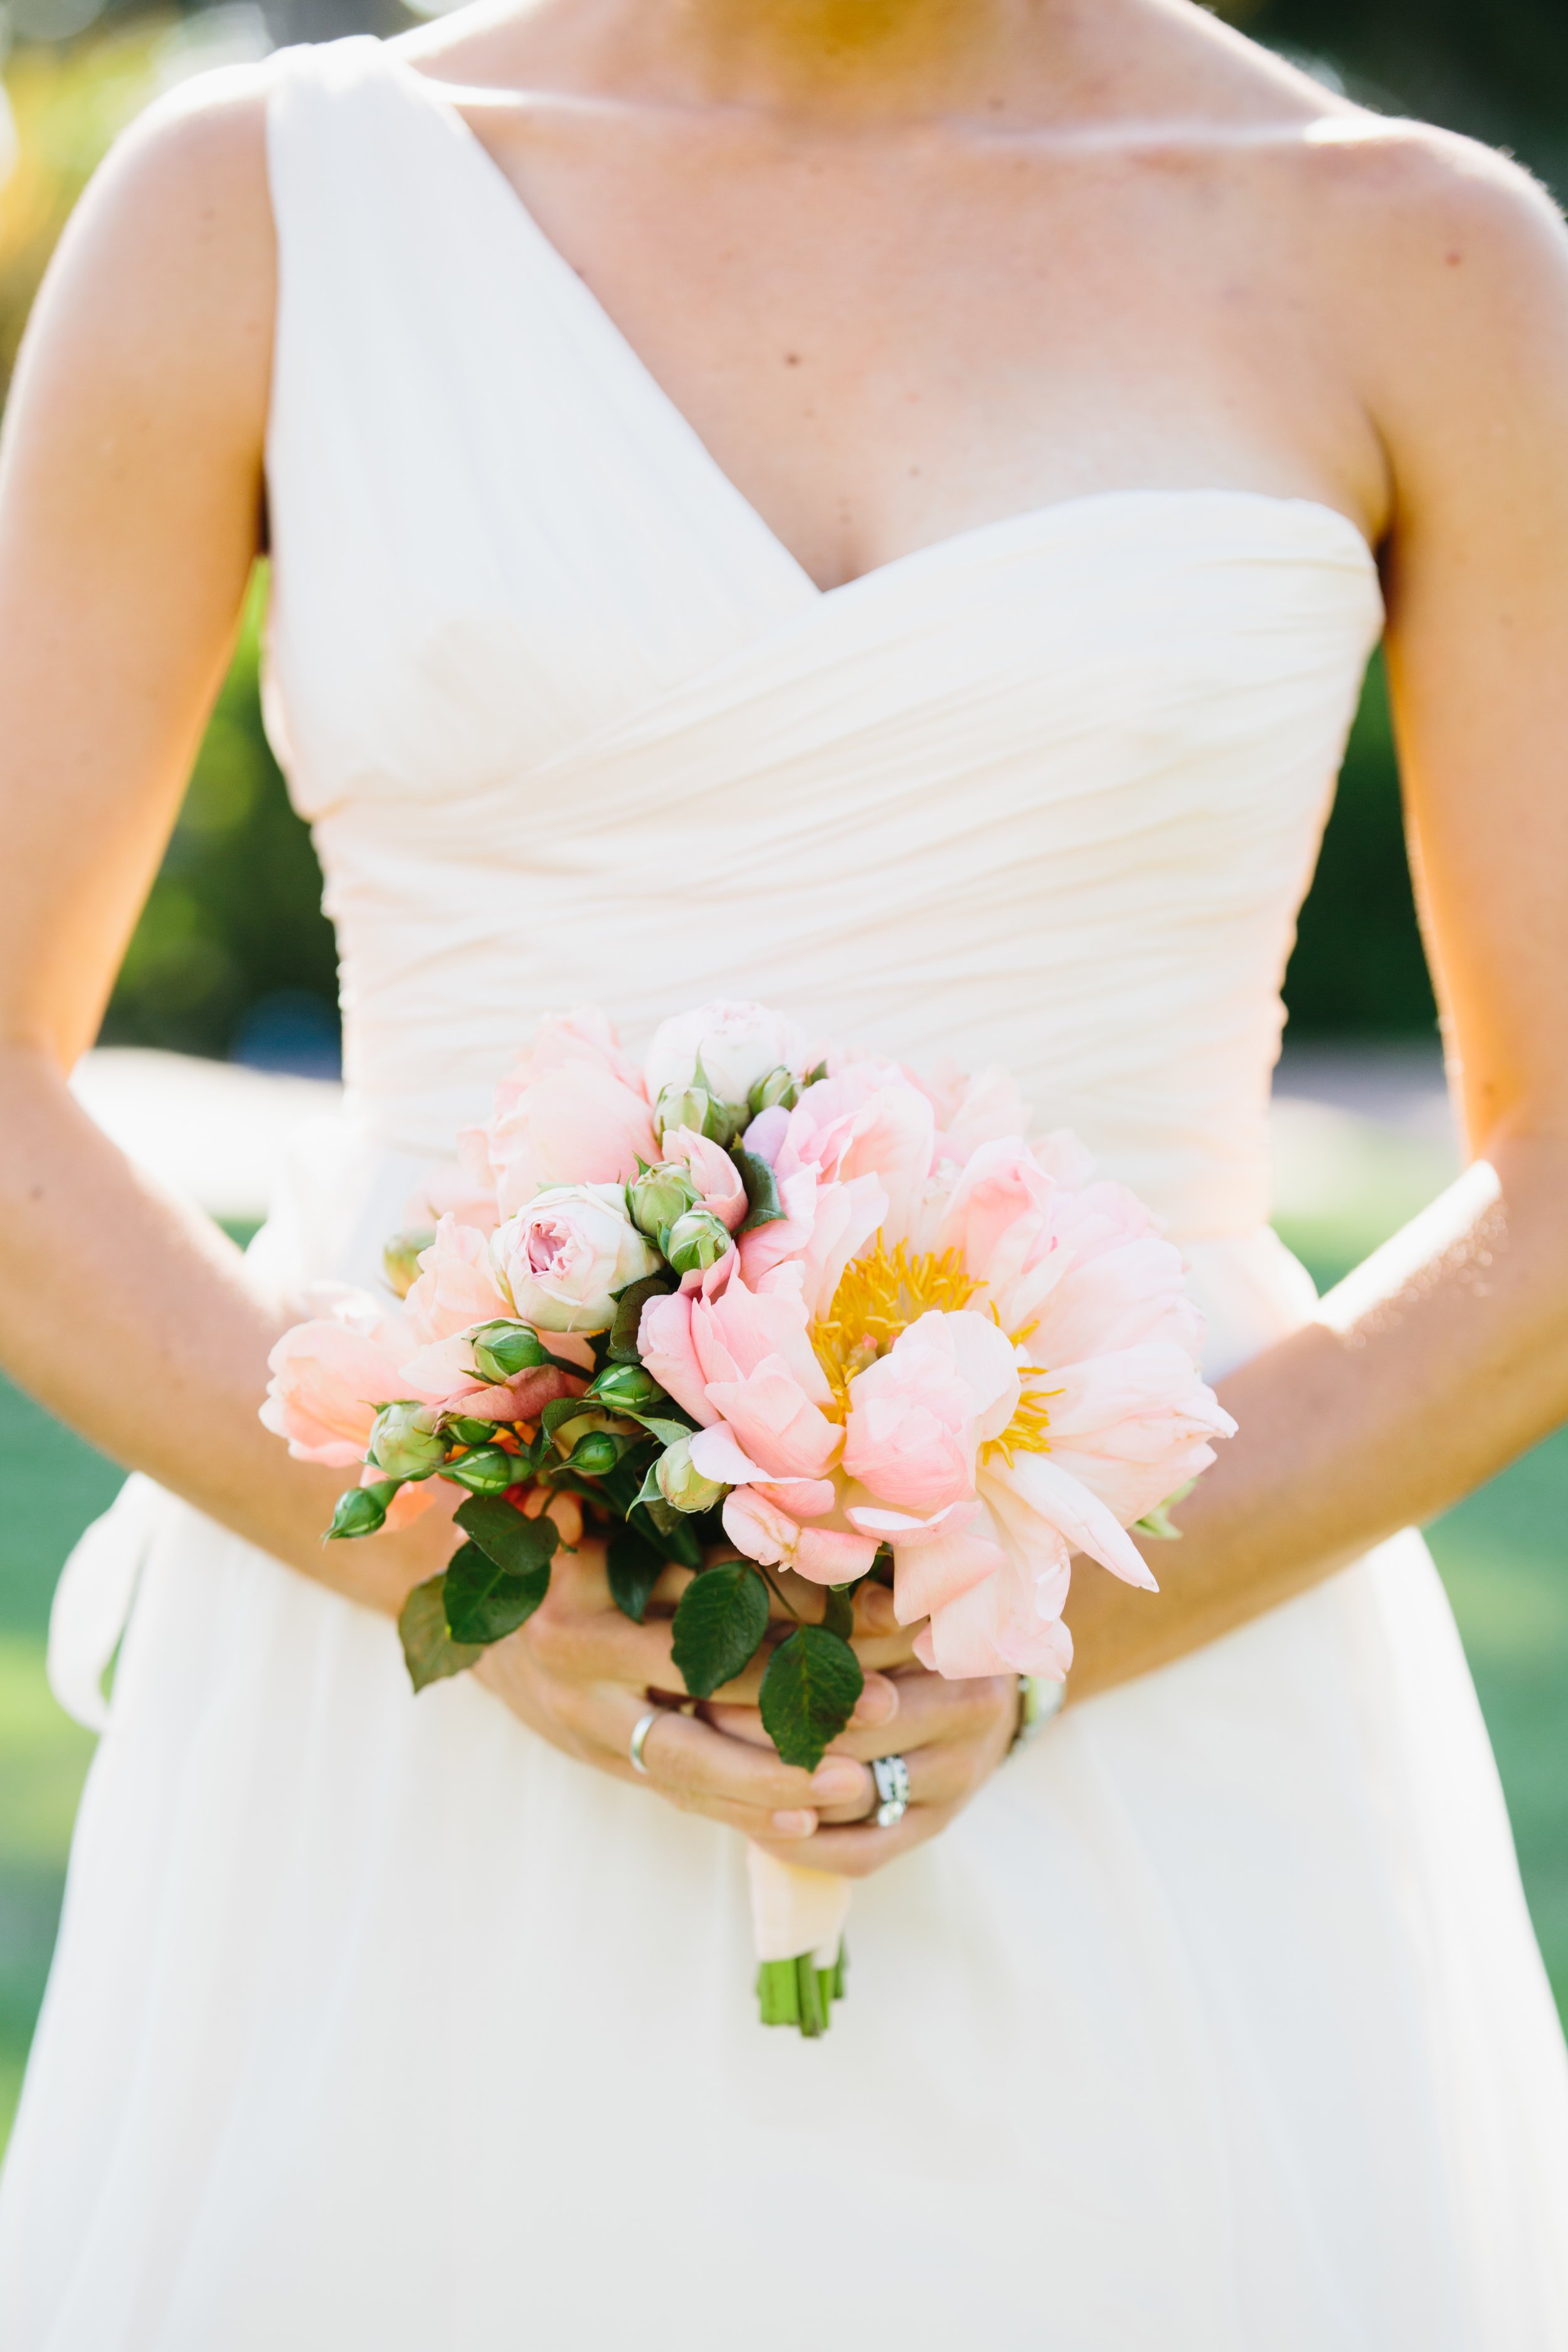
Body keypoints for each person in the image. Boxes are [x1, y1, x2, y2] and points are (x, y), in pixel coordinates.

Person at [1, 0, 1567, 2339]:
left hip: (1176, 1653)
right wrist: (472, 1568)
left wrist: (1064, 1630)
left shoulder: (1418, 265)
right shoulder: (261, 211)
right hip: (407, 1712)